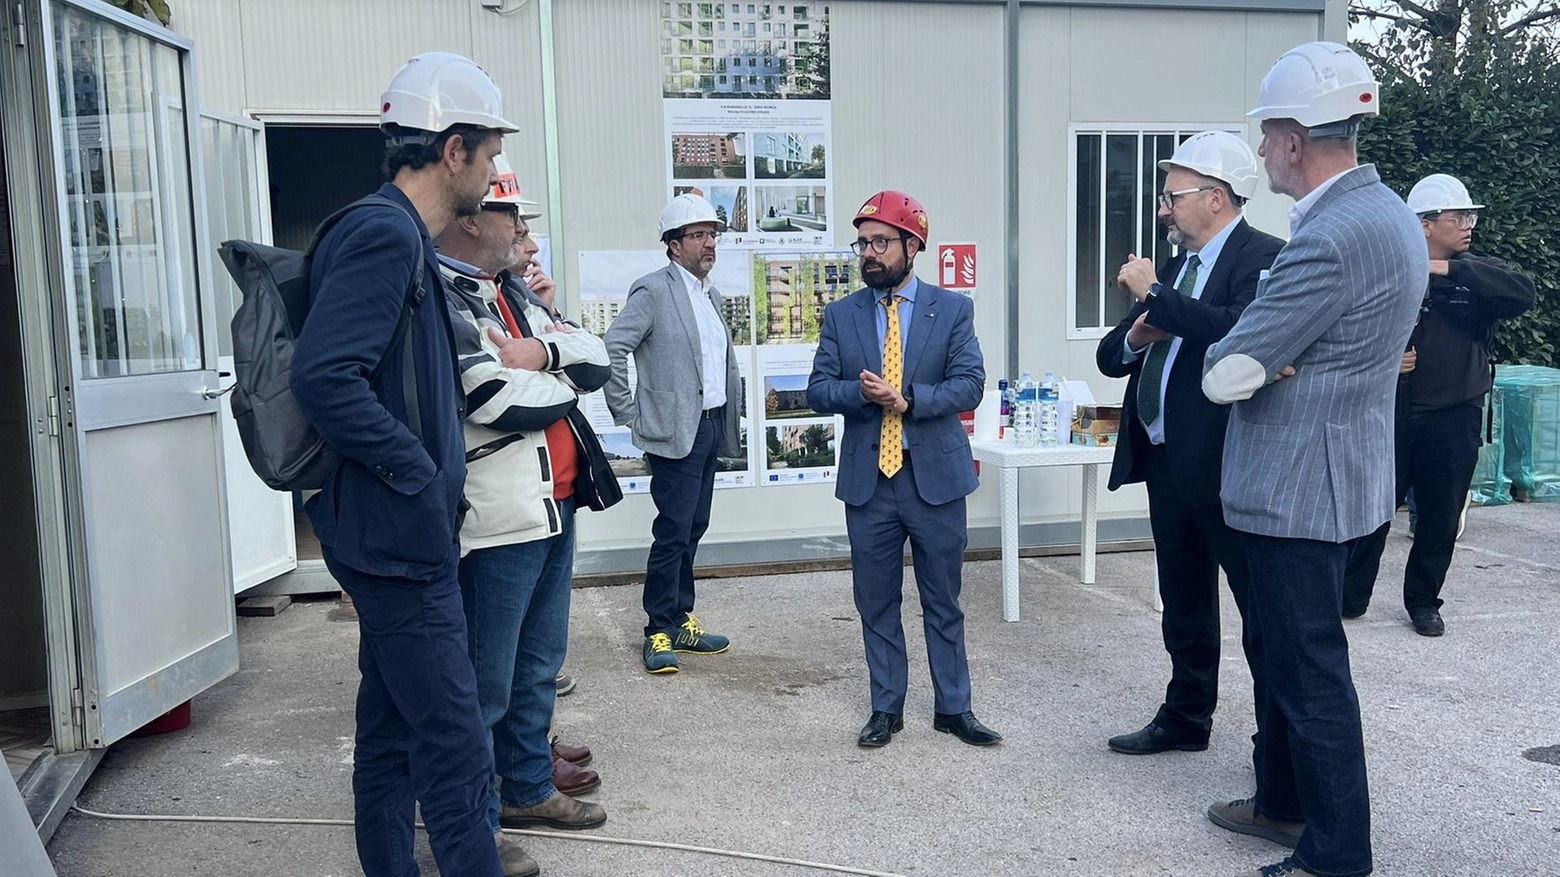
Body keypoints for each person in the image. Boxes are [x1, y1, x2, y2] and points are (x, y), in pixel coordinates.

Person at [1200, 42, 1427, 877]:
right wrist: (1271, 347)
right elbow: (1272, 351)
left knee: (1308, 672)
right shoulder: (1394, 215)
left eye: (1266, 138)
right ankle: (1283, 801)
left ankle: (1335, 853)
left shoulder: (1326, 238)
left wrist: (1261, 348)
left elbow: (1227, 371)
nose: (1262, 154)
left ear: (1296, 139)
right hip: (1346, 473)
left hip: (1298, 488)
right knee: (1290, 655)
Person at [290, 52, 515, 877]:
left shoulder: (390, 232)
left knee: (389, 733)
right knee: (455, 749)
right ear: (451, 148)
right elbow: (324, 376)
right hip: (397, 539)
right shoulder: (385, 235)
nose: (493, 172)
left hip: (388, 531)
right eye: (489, 152)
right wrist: (417, 473)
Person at [437, 155, 623, 868]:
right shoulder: (449, 296)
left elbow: (596, 354)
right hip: (501, 516)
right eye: (512, 213)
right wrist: (560, 375)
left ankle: (526, 785)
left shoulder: (511, 290)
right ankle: (473, 828)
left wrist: (540, 351)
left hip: (554, 506)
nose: (522, 229)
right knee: (485, 682)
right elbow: (492, 399)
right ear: (471, 218)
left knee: (538, 665)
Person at [1096, 131, 1284, 756]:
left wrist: (1157, 297)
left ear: (1216, 197)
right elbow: (1110, 354)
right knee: (1182, 598)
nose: (1162, 209)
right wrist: (1140, 332)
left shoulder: (1263, 258)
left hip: (1230, 468)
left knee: (1257, 610)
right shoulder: (1178, 267)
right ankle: (1185, 716)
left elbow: (1240, 330)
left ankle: (1276, 741)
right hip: (1167, 459)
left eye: (1172, 195)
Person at [807, 190, 1000, 749]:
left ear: (913, 245)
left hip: (933, 480)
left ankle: (954, 708)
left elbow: (970, 383)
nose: (869, 253)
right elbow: (819, 390)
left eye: (881, 242)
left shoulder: (953, 309)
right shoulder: (842, 315)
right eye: (862, 243)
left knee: (943, 599)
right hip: (870, 485)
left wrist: (909, 400)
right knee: (876, 600)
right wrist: (865, 396)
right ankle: (886, 707)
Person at [1341, 174, 1536, 635]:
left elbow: (1522, 291)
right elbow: (1348, 331)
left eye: (1470, 216)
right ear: (1424, 224)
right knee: (1372, 510)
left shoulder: (1479, 273)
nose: (1468, 225)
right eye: (1458, 217)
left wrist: (1444, 270)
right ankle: (1350, 596)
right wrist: (1386, 361)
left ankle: (1424, 601)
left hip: (1454, 415)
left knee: (1441, 515)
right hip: (1390, 415)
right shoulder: (1386, 268)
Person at [603, 193, 741, 674]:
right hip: (673, 433)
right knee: (672, 531)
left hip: (708, 428)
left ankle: (681, 618)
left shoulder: (712, 295)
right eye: (699, 235)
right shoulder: (653, 290)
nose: (710, 243)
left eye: (713, 234)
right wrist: (628, 413)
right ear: (673, 245)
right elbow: (613, 347)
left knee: (693, 527)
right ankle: (658, 628)